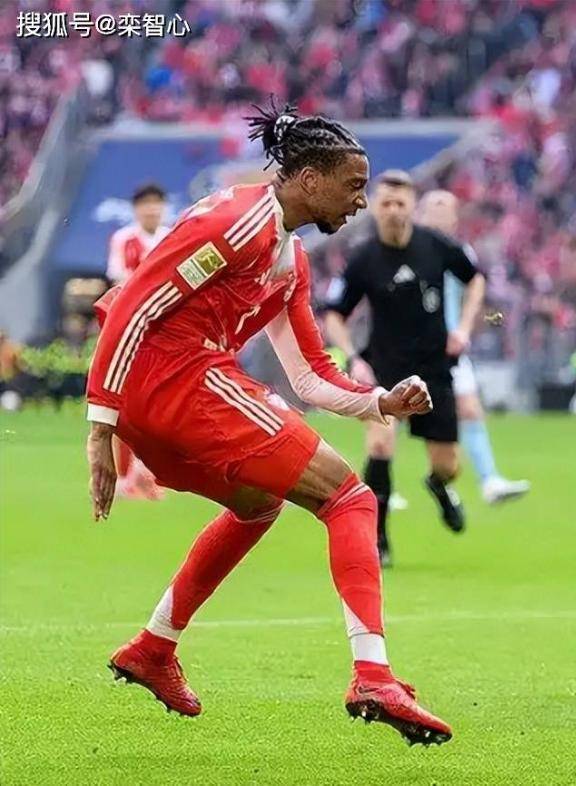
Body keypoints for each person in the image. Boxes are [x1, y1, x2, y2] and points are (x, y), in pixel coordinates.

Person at [85, 104, 452, 746]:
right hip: (177, 380)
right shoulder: (237, 225)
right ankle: (373, 676)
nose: (360, 202)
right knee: (351, 497)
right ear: (309, 179)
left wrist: (381, 403)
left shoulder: (287, 257)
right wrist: (99, 427)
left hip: (165, 391)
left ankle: (153, 648)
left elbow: (309, 374)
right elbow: (132, 309)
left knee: (258, 504)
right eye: (354, 186)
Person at [323, 171, 485, 568]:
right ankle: (378, 540)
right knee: (380, 445)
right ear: (374, 208)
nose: (394, 210)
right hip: (384, 367)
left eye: (401, 203)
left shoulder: (437, 245)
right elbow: (335, 315)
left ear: (413, 206)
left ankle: (438, 485)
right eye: (386, 203)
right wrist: (353, 357)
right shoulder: (363, 259)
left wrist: (464, 329)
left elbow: (476, 278)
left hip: (434, 366)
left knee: (448, 465)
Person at [418, 189, 530, 505]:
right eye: (434, 207)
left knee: (469, 409)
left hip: (449, 348)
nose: (440, 214)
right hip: (407, 348)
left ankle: (489, 481)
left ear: (455, 219)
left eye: (446, 209)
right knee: (390, 419)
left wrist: (466, 327)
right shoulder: (406, 248)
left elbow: (475, 289)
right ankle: (381, 488)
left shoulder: (460, 252)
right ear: (421, 214)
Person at [106, 182, 172, 501]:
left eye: (156, 203)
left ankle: (150, 474)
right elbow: (120, 282)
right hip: (132, 329)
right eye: (145, 203)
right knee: (126, 405)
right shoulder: (124, 240)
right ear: (136, 209)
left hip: (166, 331)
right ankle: (124, 476)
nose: (151, 209)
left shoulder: (173, 237)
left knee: (161, 406)